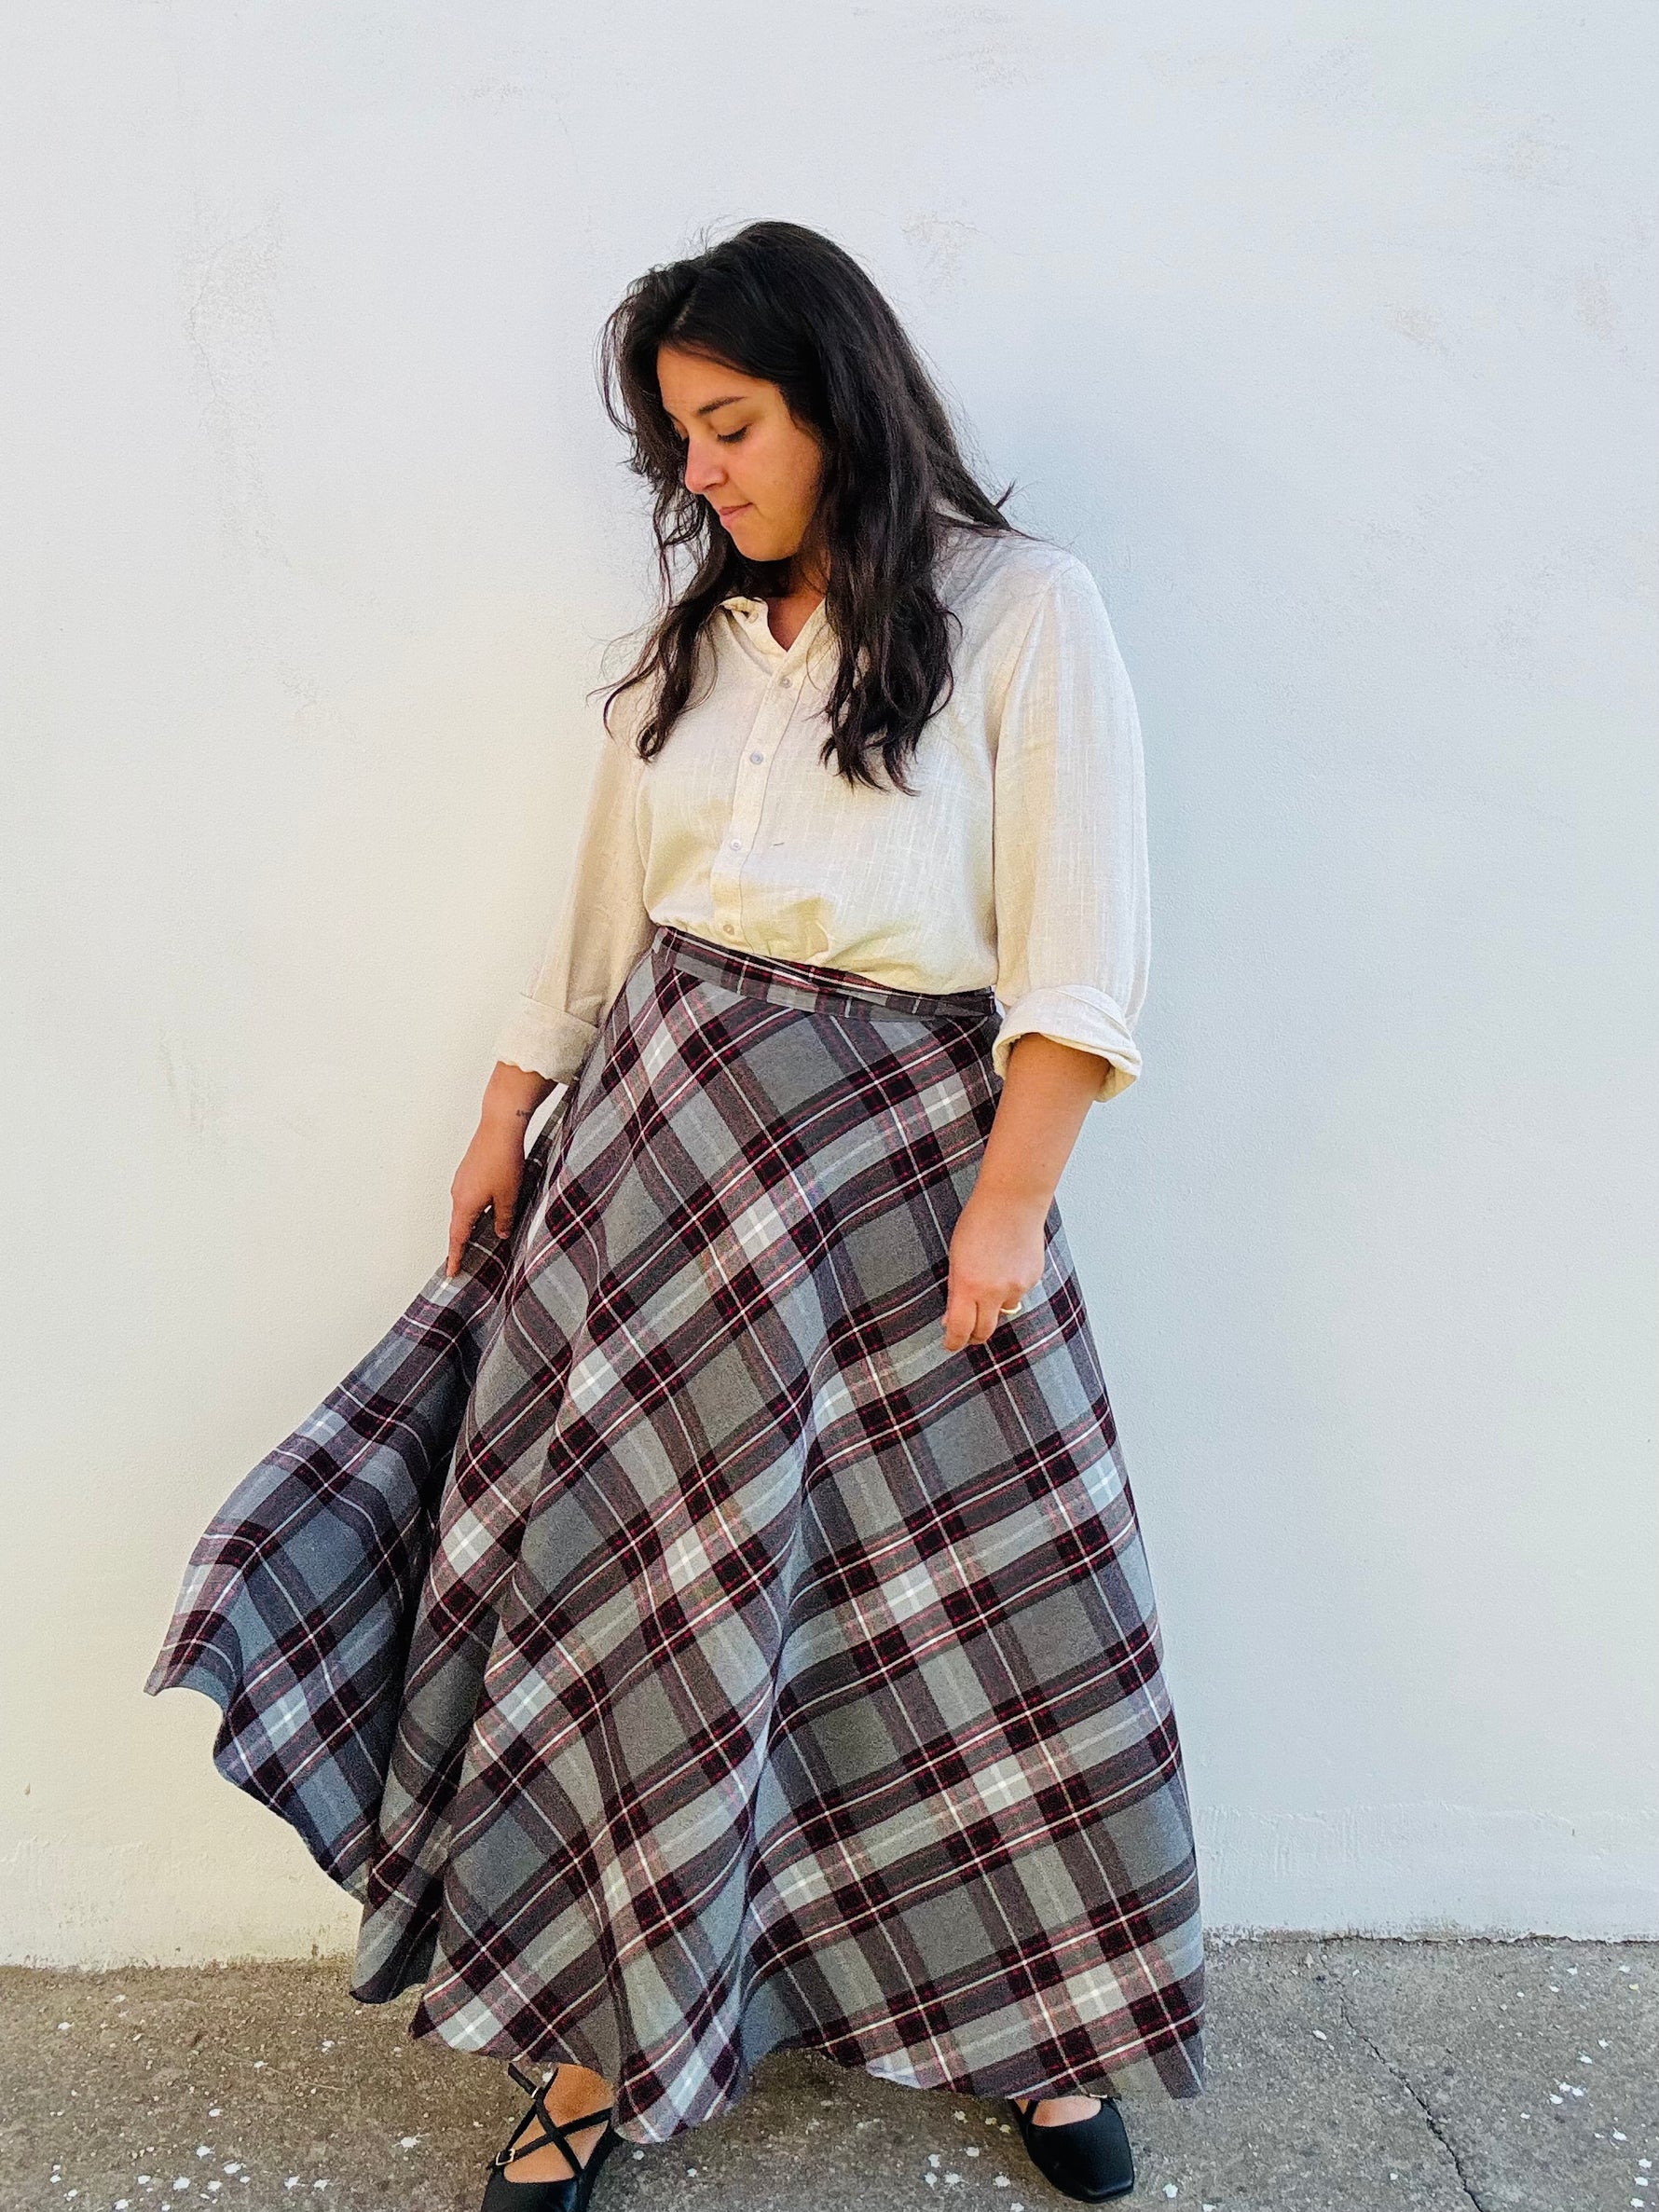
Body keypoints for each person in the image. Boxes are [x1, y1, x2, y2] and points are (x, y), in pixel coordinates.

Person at [146, 219, 1204, 2211]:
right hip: (655, 1169)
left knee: (980, 1627)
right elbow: (602, 905)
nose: (699, 473)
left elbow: (1081, 946)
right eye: (678, 441)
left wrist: (1010, 1205)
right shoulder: (702, 644)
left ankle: (1045, 2031)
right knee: (631, 1614)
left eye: (729, 426)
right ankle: (588, 2050)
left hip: (904, 1183)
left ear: (839, 404)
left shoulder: (1022, 610)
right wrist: (507, 1108)